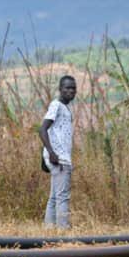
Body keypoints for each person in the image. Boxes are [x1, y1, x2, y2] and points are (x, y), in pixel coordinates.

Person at [38, 75, 77, 229]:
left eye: (73, 88)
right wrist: (52, 152)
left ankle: (49, 229)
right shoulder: (56, 105)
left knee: (54, 196)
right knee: (63, 196)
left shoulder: (65, 108)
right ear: (60, 89)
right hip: (59, 158)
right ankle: (63, 230)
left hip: (60, 157)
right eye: (67, 88)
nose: (71, 91)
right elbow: (42, 129)